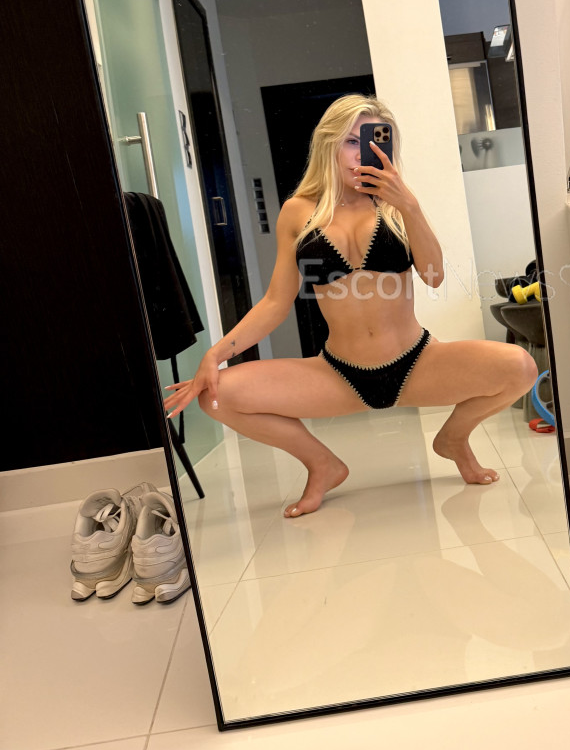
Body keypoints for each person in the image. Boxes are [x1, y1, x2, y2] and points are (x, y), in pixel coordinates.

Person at [163, 95, 538, 518]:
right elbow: (275, 302)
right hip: (339, 374)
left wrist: (409, 205)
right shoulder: (297, 212)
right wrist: (215, 354)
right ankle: (322, 465)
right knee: (215, 398)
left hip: (417, 364)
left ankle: (453, 438)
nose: (362, 154)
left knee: (521, 368)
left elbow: (434, 276)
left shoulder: (396, 205)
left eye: (373, 142)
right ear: (329, 144)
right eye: (351, 142)